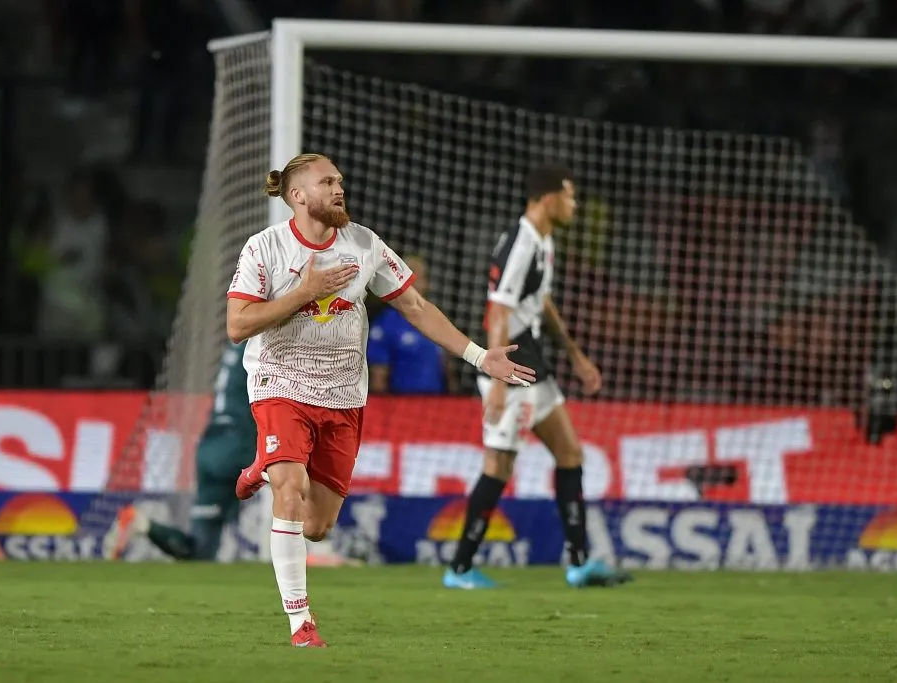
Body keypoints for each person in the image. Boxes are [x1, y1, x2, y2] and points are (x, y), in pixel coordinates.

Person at [226, 153, 535, 648]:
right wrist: (303, 292)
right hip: (280, 383)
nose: (339, 188)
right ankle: (301, 624)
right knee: (291, 487)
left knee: (317, 526)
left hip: (345, 394)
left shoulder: (364, 244)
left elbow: (415, 305)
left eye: (340, 181)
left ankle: (262, 465)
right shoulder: (264, 248)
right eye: (327, 182)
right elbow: (238, 325)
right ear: (298, 195)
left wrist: (479, 357)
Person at [443, 162, 631, 590]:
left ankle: (581, 564)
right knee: (499, 465)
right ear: (548, 199)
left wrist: (576, 356)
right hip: (510, 364)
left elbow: (540, 304)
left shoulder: (543, 241)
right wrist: (494, 383)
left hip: (534, 361)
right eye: (569, 195)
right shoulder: (521, 243)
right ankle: (459, 569)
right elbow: (499, 310)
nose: (574, 204)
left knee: (571, 453)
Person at [109, 340, 256, 561]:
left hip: (211, 447)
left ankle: (141, 523)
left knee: (200, 550)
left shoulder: (238, 340)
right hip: (239, 445)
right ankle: (309, 550)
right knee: (291, 477)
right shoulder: (264, 337)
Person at [367, 254, 457, 395]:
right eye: (414, 277)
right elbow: (378, 378)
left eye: (422, 277)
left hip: (438, 406)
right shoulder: (386, 323)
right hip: (402, 407)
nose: (420, 283)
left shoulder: (436, 318)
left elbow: (447, 369)